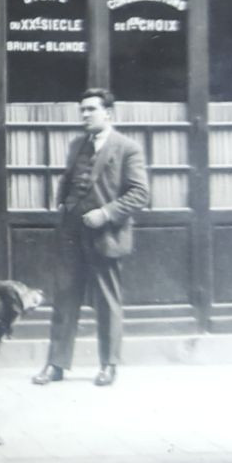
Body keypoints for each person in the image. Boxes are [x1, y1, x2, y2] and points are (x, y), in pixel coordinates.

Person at [33, 88, 149, 388]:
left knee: (108, 302)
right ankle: (56, 364)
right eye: (82, 110)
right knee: (64, 300)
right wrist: (63, 204)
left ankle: (109, 365)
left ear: (108, 113)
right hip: (72, 234)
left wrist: (106, 213)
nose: (84, 115)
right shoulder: (76, 145)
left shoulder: (127, 148)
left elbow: (140, 194)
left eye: (91, 110)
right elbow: (69, 179)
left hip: (106, 236)